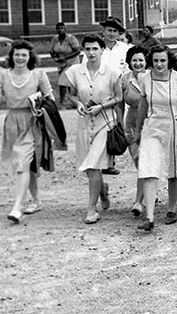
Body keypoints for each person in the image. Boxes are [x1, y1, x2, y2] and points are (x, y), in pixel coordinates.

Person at [0, 40, 54, 223]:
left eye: (24, 55)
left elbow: (51, 100)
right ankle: (36, 201)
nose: (20, 58)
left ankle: (17, 207)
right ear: (12, 56)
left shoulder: (38, 75)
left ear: (30, 57)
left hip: (32, 123)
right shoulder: (2, 75)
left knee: (23, 162)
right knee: (24, 164)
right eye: (17, 54)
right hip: (12, 123)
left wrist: (41, 107)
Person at [65, 35, 123, 224]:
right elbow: (71, 95)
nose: (91, 53)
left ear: (102, 50)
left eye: (95, 49)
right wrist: (78, 104)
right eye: (88, 49)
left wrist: (101, 106)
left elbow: (119, 97)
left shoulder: (112, 72)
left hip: (105, 122)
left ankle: (91, 209)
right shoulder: (75, 71)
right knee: (90, 168)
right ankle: (102, 190)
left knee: (93, 164)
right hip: (84, 122)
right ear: (83, 51)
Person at [135, 45, 177, 231]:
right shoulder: (145, 78)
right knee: (148, 169)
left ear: (169, 61)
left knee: (173, 171)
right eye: (155, 61)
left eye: (162, 60)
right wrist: (138, 131)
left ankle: (171, 209)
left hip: (174, 127)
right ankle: (149, 217)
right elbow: (142, 107)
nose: (159, 64)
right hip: (152, 127)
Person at [121, 45, 149, 214]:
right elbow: (119, 103)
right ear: (130, 62)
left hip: (150, 122)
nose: (138, 63)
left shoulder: (152, 77)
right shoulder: (125, 79)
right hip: (131, 123)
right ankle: (149, 190)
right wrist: (119, 123)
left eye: (141, 60)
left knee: (145, 162)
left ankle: (138, 202)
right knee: (138, 161)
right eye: (135, 60)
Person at [49, 22, 81, 104]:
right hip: (61, 64)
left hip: (72, 63)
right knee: (69, 83)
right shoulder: (55, 39)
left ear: (65, 29)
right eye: (58, 28)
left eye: (62, 28)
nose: (60, 30)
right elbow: (52, 51)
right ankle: (74, 101)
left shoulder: (71, 38)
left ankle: (62, 102)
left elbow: (77, 51)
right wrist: (55, 57)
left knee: (62, 82)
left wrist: (65, 57)